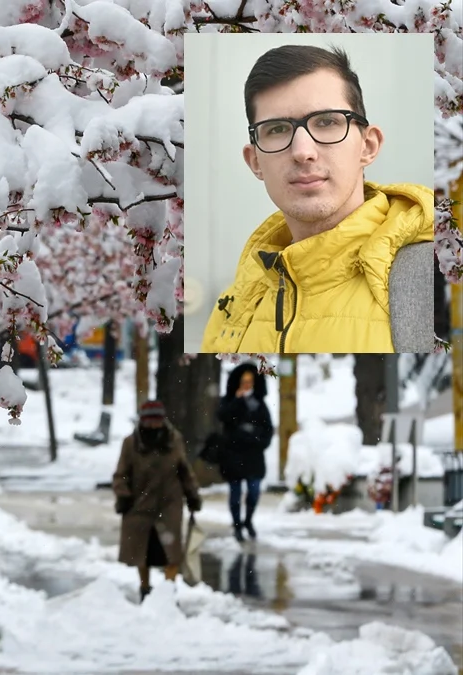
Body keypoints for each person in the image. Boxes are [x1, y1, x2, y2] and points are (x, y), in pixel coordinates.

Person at [201, 44, 434, 353]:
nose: (302, 152)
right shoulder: (235, 307)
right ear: (255, 161)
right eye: (278, 129)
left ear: (368, 146)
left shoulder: (428, 278)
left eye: (326, 122)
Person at [112, 400, 203, 602]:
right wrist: (123, 496)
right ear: (142, 421)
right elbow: (121, 474)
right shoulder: (131, 443)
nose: (154, 424)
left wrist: (192, 495)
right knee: (141, 553)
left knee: (171, 553)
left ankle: (169, 592)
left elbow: (184, 471)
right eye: (150, 420)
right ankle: (145, 589)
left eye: (157, 420)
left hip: (168, 504)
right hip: (139, 505)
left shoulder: (174, 440)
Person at [218, 363, 274, 543]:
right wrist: (237, 400)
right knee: (235, 493)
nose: (247, 385)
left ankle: (248, 520)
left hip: (253, 454)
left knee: (254, 491)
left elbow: (267, 428)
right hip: (234, 453)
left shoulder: (259, 403)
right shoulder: (229, 400)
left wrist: (259, 440)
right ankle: (236, 525)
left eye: (250, 381)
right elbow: (224, 417)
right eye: (243, 381)